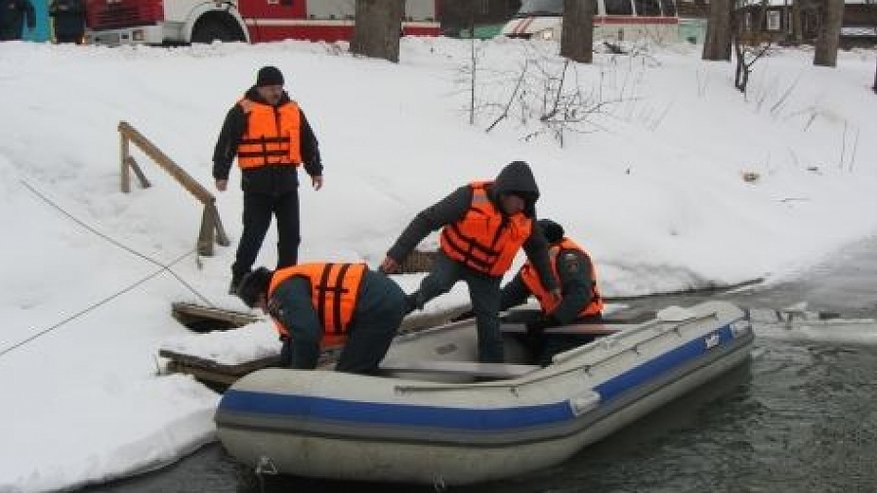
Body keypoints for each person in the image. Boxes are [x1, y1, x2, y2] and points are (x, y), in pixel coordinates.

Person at [380, 161, 559, 363]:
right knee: (436, 284)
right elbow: (427, 220)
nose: (522, 206)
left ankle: (492, 370)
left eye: (527, 202)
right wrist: (398, 253)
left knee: (489, 320)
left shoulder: (525, 216)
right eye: (519, 200)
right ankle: (391, 313)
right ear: (505, 193)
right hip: (454, 258)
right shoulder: (469, 196)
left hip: (488, 273)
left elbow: (537, 250)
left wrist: (550, 283)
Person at [213, 66, 324, 294]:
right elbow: (226, 143)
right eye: (271, 88)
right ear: (260, 88)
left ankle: (286, 279)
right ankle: (240, 277)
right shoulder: (242, 111)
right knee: (253, 234)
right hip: (257, 188)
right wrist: (221, 173)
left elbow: (308, 142)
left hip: (287, 187)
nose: (276, 92)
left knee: (291, 236)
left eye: (279, 87)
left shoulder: (293, 110)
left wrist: (315, 169)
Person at [235, 262, 405, 374]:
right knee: (352, 367)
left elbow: (307, 337)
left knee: (351, 373)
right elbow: (294, 339)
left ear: (260, 295)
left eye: (259, 306)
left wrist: (297, 382)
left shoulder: (283, 292)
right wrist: (283, 371)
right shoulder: (285, 285)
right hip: (377, 300)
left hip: (377, 304)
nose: (264, 312)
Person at [499, 218, 604, 366]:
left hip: (580, 323)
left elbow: (579, 295)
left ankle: (545, 362)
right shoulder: (533, 266)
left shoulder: (569, 257)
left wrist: (550, 321)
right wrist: (478, 309)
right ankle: (540, 352)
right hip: (553, 321)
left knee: (549, 361)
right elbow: (510, 296)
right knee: (512, 321)